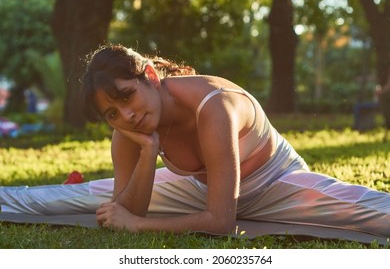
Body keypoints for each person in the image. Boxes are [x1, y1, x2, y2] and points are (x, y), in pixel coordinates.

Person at [1, 44, 389, 240]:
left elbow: (221, 222)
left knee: (374, 213)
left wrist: (138, 226)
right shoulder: (128, 131)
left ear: (150, 76)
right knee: (84, 196)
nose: (126, 116)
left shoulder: (213, 106)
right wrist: (149, 152)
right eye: (112, 114)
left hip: (275, 184)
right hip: (201, 188)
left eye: (126, 97)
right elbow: (123, 208)